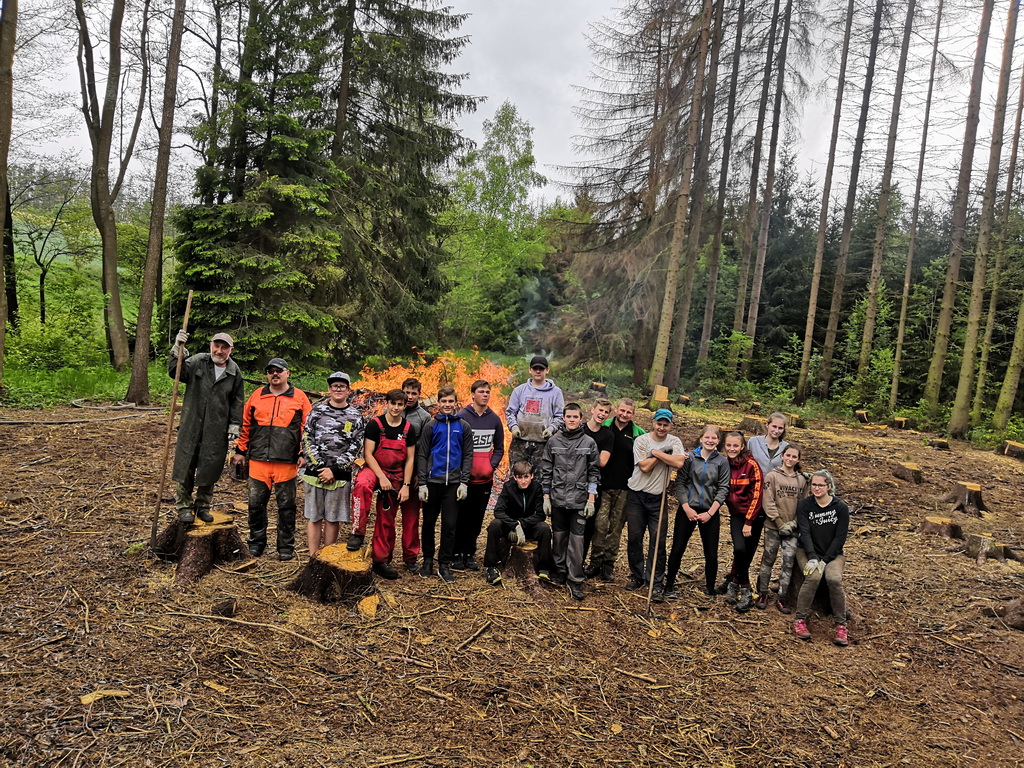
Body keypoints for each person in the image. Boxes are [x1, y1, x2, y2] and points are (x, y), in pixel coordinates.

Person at [232, 359, 312, 560]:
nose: (275, 374)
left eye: (279, 371)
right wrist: (240, 451)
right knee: (255, 505)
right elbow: (246, 425)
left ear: (288, 373)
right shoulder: (257, 395)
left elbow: (308, 429)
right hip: (258, 460)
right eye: (270, 371)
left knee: (287, 507)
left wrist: (303, 453)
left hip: (286, 461)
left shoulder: (299, 397)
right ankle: (256, 543)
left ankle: (285, 546)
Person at [168, 330, 245, 524]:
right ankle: (184, 506)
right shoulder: (198, 361)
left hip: (217, 429)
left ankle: (203, 506)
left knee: (210, 467)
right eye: (216, 346)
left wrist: (234, 426)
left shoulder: (234, 372)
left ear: (231, 350)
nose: (219, 351)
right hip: (191, 425)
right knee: (186, 465)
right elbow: (176, 372)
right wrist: (178, 349)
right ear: (211, 345)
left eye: (224, 347)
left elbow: (237, 402)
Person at [354, 389, 420, 579]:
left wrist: (406, 485)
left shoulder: (408, 429)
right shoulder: (376, 424)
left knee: (386, 517)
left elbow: (410, 459)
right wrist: (381, 477)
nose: (396, 408)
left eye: (400, 405)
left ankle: (381, 560)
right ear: (387, 403)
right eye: (393, 404)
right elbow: (368, 454)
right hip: (374, 469)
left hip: (397, 474)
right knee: (361, 484)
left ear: (404, 406)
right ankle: (357, 532)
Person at [539, 402, 600, 601]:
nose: (572, 420)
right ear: (563, 418)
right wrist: (546, 497)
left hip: (580, 501)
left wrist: (591, 499)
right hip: (558, 498)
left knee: (577, 542)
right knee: (559, 538)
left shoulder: (589, 443)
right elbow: (546, 471)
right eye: (569, 416)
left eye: (575, 417)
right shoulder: (553, 442)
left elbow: (594, 472)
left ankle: (575, 579)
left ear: (581, 419)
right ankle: (560, 572)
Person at [300, 372, 364, 557]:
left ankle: (327, 556)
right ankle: (313, 556)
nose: (338, 389)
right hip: (315, 472)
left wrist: (334, 470)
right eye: (335, 386)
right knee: (314, 517)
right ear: (329, 389)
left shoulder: (355, 416)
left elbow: (356, 446)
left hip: (339, 475)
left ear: (348, 390)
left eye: (342, 386)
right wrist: (320, 467)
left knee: (332, 518)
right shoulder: (317, 411)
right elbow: (307, 438)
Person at [625, 408, 686, 599]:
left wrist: (656, 453)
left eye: (665, 425)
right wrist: (663, 455)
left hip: (658, 498)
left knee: (658, 540)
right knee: (635, 537)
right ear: (653, 423)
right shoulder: (642, 441)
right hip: (636, 495)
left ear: (670, 425)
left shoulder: (674, 441)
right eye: (659, 424)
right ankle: (637, 575)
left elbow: (679, 463)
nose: (661, 427)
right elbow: (644, 467)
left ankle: (656, 581)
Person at [663, 424, 729, 600]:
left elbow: (723, 488)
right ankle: (669, 585)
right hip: (688, 509)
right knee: (678, 548)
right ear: (701, 439)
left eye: (714, 438)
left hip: (710, 510)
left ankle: (710, 588)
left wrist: (711, 513)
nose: (710, 440)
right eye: (707, 437)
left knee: (711, 552)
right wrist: (686, 507)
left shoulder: (722, 462)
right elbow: (680, 483)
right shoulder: (690, 457)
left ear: (718, 441)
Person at [416, 385, 473, 583]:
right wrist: (422, 483)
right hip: (433, 482)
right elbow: (422, 455)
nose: (447, 405)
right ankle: (427, 560)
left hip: (453, 484)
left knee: (449, 525)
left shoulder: (463, 426)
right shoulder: (431, 426)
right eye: (444, 401)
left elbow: (468, 455)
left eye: (450, 401)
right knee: (429, 523)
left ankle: (444, 564)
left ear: (456, 403)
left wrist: (464, 482)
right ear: (438, 403)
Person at [586, 398, 645, 583]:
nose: (624, 414)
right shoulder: (605, 427)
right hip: (603, 485)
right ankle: (595, 562)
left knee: (616, 528)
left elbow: (650, 449)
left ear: (633, 414)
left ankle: (608, 565)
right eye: (622, 410)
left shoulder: (638, 434)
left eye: (629, 412)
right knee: (599, 526)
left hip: (625, 487)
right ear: (616, 410)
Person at [793, 469, 850, 646]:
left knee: (833, 579)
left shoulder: (840, 507)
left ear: (829, 486)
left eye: (821, 485)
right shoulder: (805, 505)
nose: (817, 488)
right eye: (814, 485)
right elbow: (805, 532)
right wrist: (812, 557)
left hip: (832, 554)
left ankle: (841, 625)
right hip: (807, 551)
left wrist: (825, 560)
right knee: (813, 576)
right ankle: (800, 620)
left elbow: (840, 537)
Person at [454, 380, 505, 571]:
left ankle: (469, 553)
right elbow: (456, 447)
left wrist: (491, 466)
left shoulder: (494, 419)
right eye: (481, 391)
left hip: (484, 479)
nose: (485, 395)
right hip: (464, 479)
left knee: (476, 519)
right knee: (460, 517)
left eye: (487, 392)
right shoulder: (462, 417)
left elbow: (499, 448)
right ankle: (456, 553)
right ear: (473, 394)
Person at [482, 460, 553, 586]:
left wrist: (522, 524)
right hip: (510, 526)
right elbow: (498, 511)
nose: (523, 481)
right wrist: (514, 525)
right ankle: (490, 567)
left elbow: (540, 514)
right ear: (515, 477)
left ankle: (544, 568)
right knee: (494, 525)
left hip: (528, 526)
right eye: (520, 477)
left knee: (544, 528)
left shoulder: (536, 488)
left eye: (526, 477)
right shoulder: (508, 487)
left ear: (532, 476)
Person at [757, 444, 808, 613]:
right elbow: (768, 501)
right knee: (768, 559)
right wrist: (779, 522)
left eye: (794, 457)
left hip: (792, 529)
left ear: (798, 460)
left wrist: (793, 523)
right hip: (772, 527)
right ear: (782, 456)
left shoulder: (801, 480)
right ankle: (763, 593)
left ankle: (782, 596)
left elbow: (804, 503)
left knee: (788, 562)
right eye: (788, 455)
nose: (790, 459)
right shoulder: (772, 476)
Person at [721, 431, 764, 612]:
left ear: (742, 446)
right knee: (739, 549)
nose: (732, 449)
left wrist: (749, 521)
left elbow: (757, 495)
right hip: (736, 515)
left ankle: (742, 588)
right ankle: (739, 584)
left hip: (753, 516)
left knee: (746, 552)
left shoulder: (752, 465)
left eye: (735, 445)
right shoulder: (725, 464)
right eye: (729, 445)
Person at [505, 355, 564, 470]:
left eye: (541, 369)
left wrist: (551, 429)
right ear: (530, 370)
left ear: (547, 370)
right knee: (517, 476)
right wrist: (514, 427)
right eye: (535, 368)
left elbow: (559, 416)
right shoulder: (519, 390)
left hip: (543, 443)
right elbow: (510, 412)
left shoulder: (555, 392)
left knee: (541, 478)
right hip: (519, 443)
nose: (538, 371)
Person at [580, 398, 614, 562]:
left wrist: (581, 455)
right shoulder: (579, 429)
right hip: (573, 483)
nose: (602, 414)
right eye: (600, 410)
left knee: (588, 527)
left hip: (594, 485)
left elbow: (602, 461)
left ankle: (579, 563)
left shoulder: (608, 435)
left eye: (606, 412)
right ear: (592, 410)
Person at [748, 413, 790, 478]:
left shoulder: (786, 447)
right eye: (774, 426)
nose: (776, 431)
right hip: (754, 482)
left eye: (780, 428)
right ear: (767, 425)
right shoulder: (753, 442)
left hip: (776, 482)